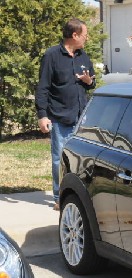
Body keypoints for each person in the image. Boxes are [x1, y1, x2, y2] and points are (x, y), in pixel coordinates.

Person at [35, 18, 96, 211]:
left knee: (82, 159)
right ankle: (59, 196)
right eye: (84, 35)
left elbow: (92, 82)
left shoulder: (83, 56)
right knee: (59, 159)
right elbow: (43, 87)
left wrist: (88, 81)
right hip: (60, 117)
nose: (86, 38)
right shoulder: (52, 55)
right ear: (75, 35)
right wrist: (42, 115)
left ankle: (79, 195)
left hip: (81, 118)